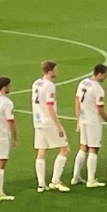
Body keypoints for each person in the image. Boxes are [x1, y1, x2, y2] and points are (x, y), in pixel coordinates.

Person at [72, 64, 107, 188]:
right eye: (104, 75)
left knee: (83, 147)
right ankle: (91, 180)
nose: (105, 77)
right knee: (93, 149)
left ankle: (75, 176)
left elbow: (77, 101)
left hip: (83, 120)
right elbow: (101, 111)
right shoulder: (98, 89)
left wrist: (78, 119)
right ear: (100, 74)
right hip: (93, 122)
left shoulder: (83, 83)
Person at [32, 61, 72, 193]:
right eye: (55, 69)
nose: (57, 72)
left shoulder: (36, 83)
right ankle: (55, 181)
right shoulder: (49, 86)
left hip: (38, 122)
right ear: (50, 71)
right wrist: (58, 125)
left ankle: (41, 185)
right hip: (48, 122)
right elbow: (49, 106)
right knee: (65, 149)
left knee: (42, 152)